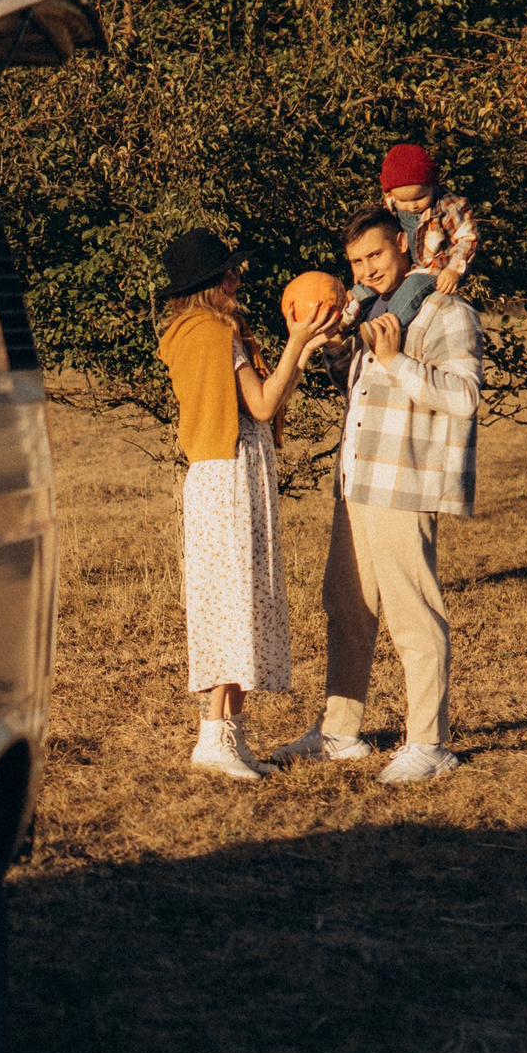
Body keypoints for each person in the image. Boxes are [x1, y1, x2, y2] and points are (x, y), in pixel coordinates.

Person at [275, 206, 480, 783]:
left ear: (403, 244)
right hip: (355, 479)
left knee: (413, 613)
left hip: (403, 479)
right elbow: (361, 390)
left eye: (376, 255)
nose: (369, 268)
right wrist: (343, 350)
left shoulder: (447, 312)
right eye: (357, 261)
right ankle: (339, 733)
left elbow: (463, 397)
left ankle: (429, 744)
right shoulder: (373, 311)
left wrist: (394, 360)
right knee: (346, 607)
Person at [153, 228, 331, 780]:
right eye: (228, 271)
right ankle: (214, 740)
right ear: (209, 284)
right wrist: (297, 343)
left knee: (231, 602)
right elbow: (263, 403)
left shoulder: (190, 332)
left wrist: (296, 356)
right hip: (231, 474)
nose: (237, 277)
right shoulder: (217, 334)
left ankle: (229, 737)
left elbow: (264, 398)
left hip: (217, 474)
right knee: (234, 604)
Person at [339, 143, 480, 339]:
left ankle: (384, 329)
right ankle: (342, 320)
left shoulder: (449, 207)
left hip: (435, 268)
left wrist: (454, 270)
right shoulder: (392, 204)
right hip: (406, 264)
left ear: (432, 185)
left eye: (419, 198)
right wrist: (361, 268)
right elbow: (382, 236)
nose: (412, 206)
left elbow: (467, 239)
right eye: (403, 201)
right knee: (364, 287)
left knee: (412, 288)